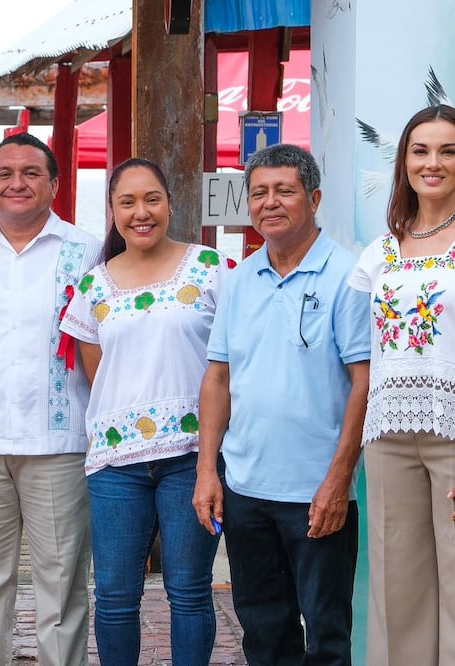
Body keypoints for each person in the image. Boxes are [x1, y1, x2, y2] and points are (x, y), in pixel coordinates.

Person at [193, 144, 370, 665]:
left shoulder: (348, 276)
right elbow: (218, 378)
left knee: (326, 637)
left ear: (313, 198)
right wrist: (209, 470)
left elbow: (364, 382)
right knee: (264, 631)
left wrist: (339, 481)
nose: (271, 203)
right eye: (260, 193)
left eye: (285, 191)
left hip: (317, 492)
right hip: (246, 490)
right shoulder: (241, 278)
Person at [0, 132, 101, 666]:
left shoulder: (88, 251)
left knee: (61, 581)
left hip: (57, 441)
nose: (17, 182)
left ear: (54, 184)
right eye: (5, 173)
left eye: (31, 172)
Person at [60, 157, 227, 666]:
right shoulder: (93, 289)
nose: (141, 212)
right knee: (113, 598)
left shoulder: (211, 269)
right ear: (111, 211)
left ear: (170, 203)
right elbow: (100, 376)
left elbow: (228, 365)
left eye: (151, 199)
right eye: (127, 202)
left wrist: (210, 462)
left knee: (190, 592)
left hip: (192, 460)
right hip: (115, 467)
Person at [349, 103, 455, 666]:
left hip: (453, 433)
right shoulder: (380, 251)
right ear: (404, 162)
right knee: (396, 590)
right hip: (387, 435)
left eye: (448, 150)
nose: (432, 163)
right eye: (421, 150)